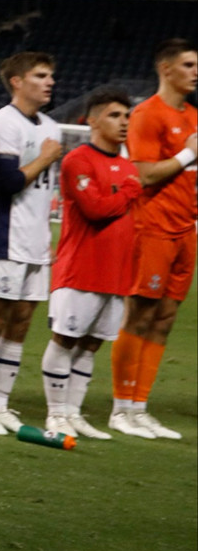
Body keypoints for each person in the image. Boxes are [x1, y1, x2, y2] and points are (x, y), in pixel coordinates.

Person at [0, 50, 64, 434]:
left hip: (37, 240)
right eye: (41, 75)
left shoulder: (52, 127)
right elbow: (7, 184)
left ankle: (0, 404)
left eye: (51, 76)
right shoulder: (2, 123)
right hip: (4, 238)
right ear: (18, 82)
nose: (49, 82)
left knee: (21, 323)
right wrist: (43, 160)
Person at [43, 88, 142, 440]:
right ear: (93, 120)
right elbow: (96, 210)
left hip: (115, 274)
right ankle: (55, 415)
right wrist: (130, 191)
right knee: (65, 340)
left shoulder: (128, 166)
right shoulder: (78, 160)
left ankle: (73, 413)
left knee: (91, 345)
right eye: (115, 116)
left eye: (127, 117)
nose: (124, 123)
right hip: (81, 269)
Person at [111, 39, 196, 439]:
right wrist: (186, 155)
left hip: (186, 229)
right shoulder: (147, 115)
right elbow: (143, 174)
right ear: (166, 69)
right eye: (189, 65)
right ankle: (120, 408)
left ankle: (140, 407)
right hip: (154, 227)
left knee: (165, 319)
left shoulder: (194, 116)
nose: (196, 72)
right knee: (141, 314)